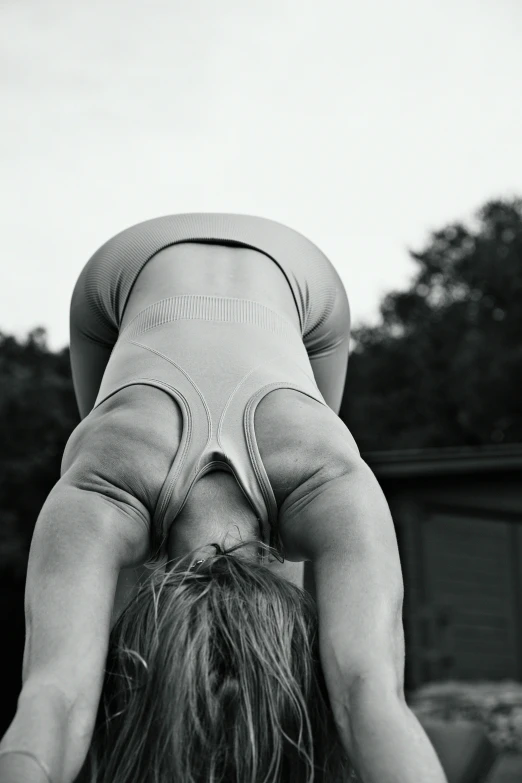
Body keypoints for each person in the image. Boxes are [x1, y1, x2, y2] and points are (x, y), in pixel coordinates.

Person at [0, 213, 448, 783]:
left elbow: (369, 698)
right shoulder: (106, 481)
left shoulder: (330, 478)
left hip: (301, 275)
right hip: (123, 271)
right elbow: (54, 698)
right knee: (88, 637)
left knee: (352, 676)